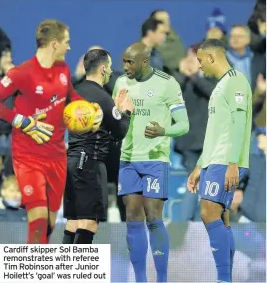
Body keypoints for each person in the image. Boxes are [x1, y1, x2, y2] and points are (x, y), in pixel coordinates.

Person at [0, 19, 82, 244]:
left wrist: (92, 110)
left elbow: (72, 99)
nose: (69, 47)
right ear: (54, 44)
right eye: (67, 42)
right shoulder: (21, 73)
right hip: (28, 156)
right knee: (38, 222)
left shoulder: (63, 70)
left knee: (48, 225)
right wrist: (22, 121)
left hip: (56, 156)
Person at [113, 42, 189, 282]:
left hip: (155, 160)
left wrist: (162, 131)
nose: (124, 66)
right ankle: (140, 279)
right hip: (128, 159)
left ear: (144, 62)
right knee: (132, 215)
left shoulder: (168, 83)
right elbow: (116, 121)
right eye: (123, 61)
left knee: (153, 216)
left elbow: (184, 125)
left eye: (130, 62)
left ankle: (162, 279)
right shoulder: (121, 83)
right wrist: (117, 112)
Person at [187, 39, 252, 283]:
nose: (200, 66)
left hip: (227, 161)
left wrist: (233, 163)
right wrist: (199, 166)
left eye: (201, 60)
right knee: (221, 219)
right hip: (215, 161)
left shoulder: (236, 81)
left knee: (209, 214)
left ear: (212, 58)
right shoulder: (220, 86)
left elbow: (238, 124)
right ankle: (225, 277)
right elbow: (215, 132)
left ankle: (223, 278)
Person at [62, 49, 133, 244]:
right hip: (91, 165)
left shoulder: (74, 92)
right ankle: (79, 273)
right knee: (88, 224)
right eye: (109, 67)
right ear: (103, 69)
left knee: (73, 222)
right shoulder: (103, 98)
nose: (111, 71)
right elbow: (120, 131)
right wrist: (125, 112)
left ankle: (62, 272)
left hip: (71, 161)